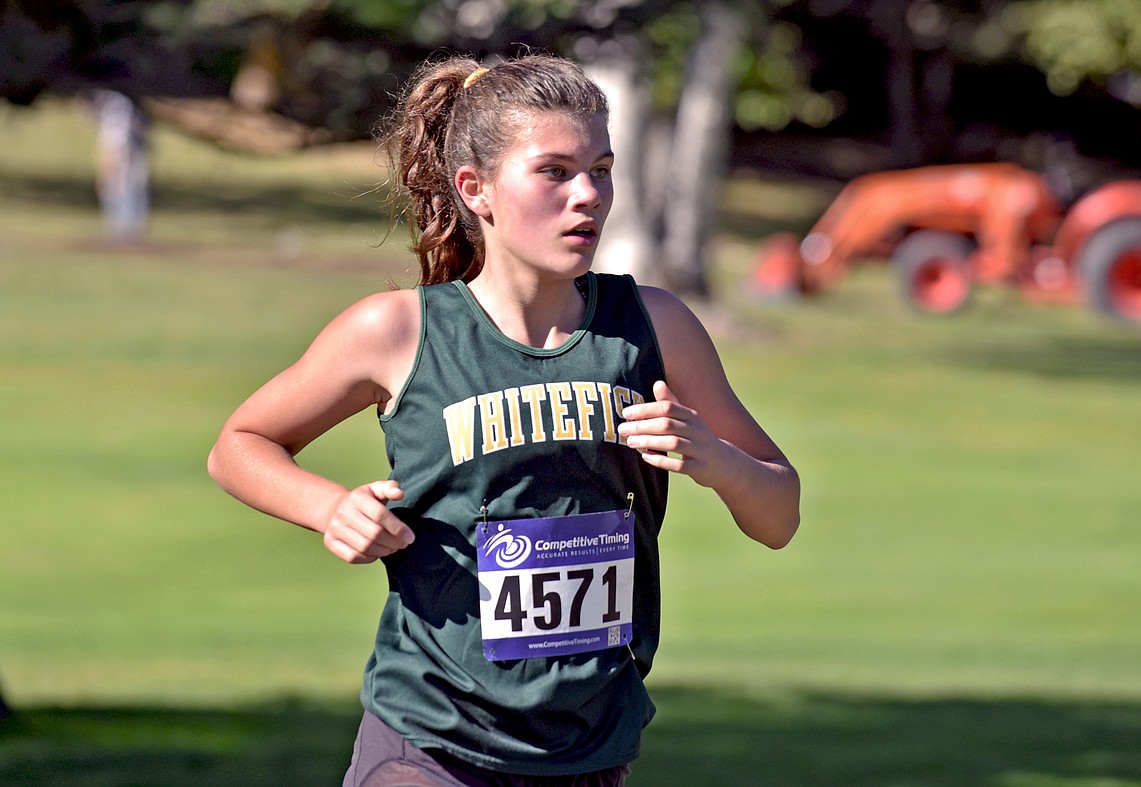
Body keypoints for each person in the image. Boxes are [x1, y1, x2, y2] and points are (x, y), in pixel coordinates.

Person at [208, 53, 800, 786]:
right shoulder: (396, 333)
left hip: (588, 746)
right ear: (475, 189)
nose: (587, 195)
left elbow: (779, 513)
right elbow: (239, 444)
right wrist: (331, 507)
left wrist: (715, 457)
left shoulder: (655, 327)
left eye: (602, 169)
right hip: (431, 739)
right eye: (554, 171)